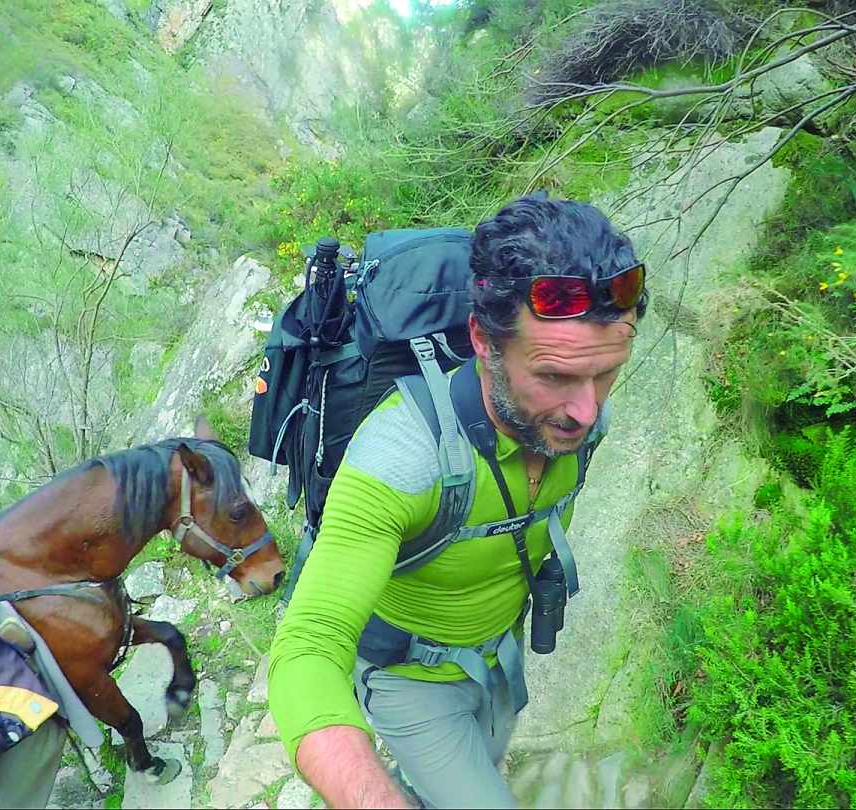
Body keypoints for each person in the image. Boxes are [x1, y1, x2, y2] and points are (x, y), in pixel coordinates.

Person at [267, 194, 647, 808]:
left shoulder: (573, 417)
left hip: (500, 658)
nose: (585, 411)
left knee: (483, 760)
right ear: (483, 341)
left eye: (605, 373)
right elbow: (307, 649)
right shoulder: (402, 459)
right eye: (553, 376)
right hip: (411, 682)